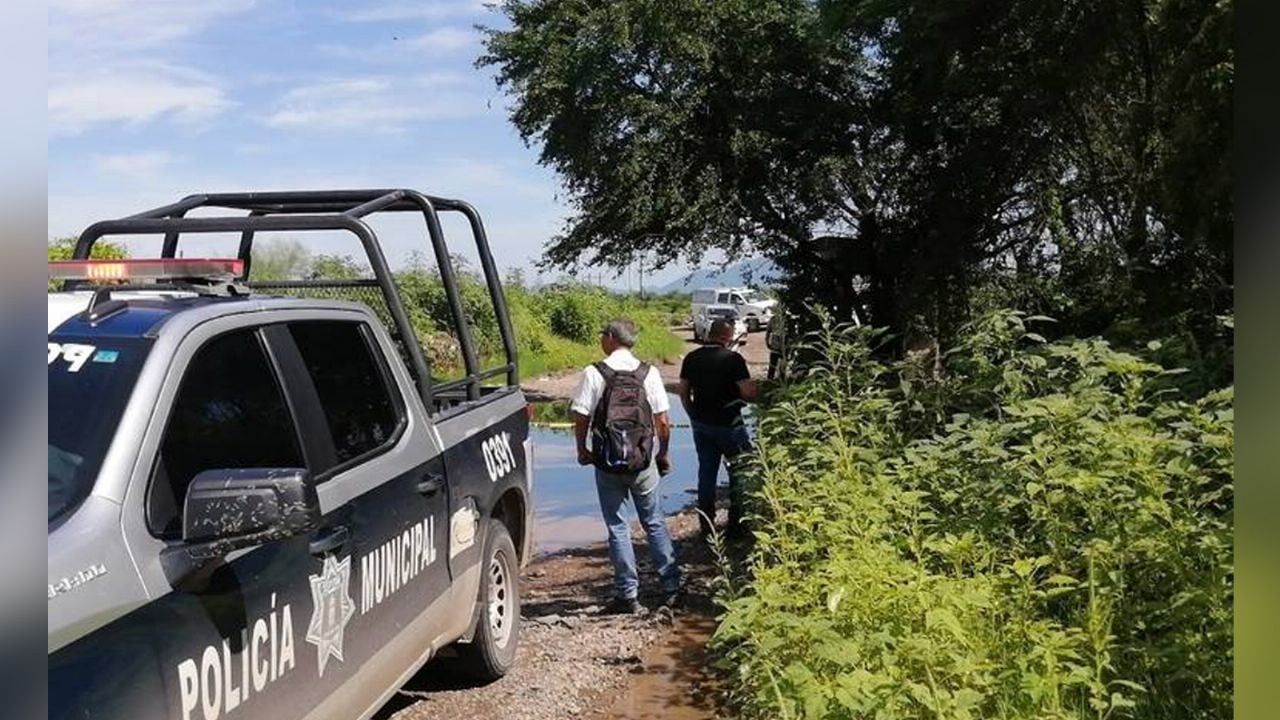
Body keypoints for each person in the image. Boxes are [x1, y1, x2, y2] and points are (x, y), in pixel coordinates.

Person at [571, 319, 681, 614]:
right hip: (642, 461)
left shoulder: (595, 373)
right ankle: (671, 587)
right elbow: (662, 420)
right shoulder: (649, 372)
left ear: (610, 338)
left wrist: (582, 449)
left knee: (618, 527)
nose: (600, 341)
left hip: (607, 462)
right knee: (654, 522)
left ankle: (627, 596)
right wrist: (664, 453)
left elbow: (581, 416)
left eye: (602, 336)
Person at [679, 318, 759, 537]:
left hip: (702, 424)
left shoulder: (691, 358)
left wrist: (692, 415)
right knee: (740, 472)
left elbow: (684, 392)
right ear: (728, 336)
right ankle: (737, 523)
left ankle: (706, 523)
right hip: (730, 424)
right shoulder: (734, 359)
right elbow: (747, 393)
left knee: (706, 472)